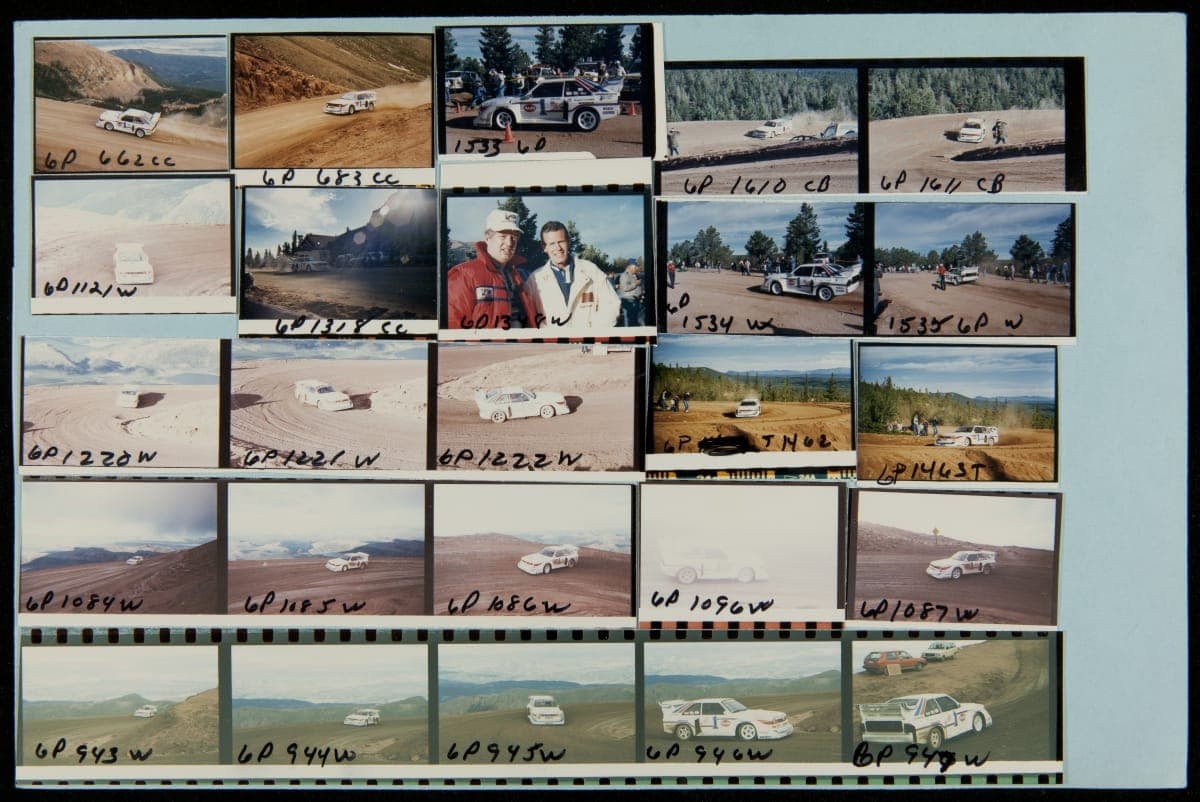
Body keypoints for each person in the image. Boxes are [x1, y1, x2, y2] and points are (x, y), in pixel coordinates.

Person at [446, 208, 538, 329]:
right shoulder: (463, 274)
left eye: (514, 238)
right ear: (487, 237)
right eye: (503, 236)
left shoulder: (520, 277)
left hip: (522, 346)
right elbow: (454, 326)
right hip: (486, 347)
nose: (509, 243)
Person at [526, 221, 621, 329]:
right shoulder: (534, 280)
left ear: (568, 241)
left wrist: (594, 335)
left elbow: (611, 305)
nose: (558, 248)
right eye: (552, 243)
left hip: (588, 343)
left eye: (561, 241)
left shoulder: (591, 270)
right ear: (544, 247)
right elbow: (530, 319)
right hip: (553, 344)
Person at [617, 258, 645, 326]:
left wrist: (641, 290)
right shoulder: (624, 275)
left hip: (634, 300)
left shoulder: (634, 274)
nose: (637, 268)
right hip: (628, 302)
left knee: (634, 321)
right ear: (630, 266)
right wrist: (636, 284)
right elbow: (624, 288)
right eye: (635, 267)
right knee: (629, 322)